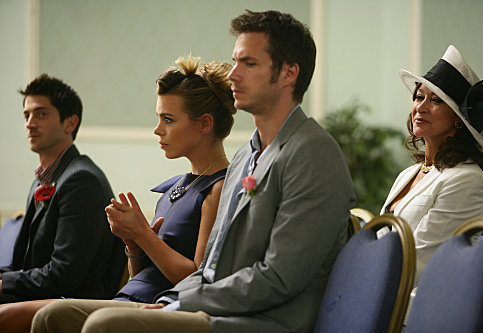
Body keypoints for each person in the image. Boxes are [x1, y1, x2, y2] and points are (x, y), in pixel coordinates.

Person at [31, 9, 356, 333]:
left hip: (264, 320)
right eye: (236, 61)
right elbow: (211, 265)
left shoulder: (314, 154)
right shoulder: (245, 156)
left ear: (288, 73)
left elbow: (279, 277)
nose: (233, 75)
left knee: (104, 325)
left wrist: (181, 302)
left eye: (249, 63)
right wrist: (172, 298)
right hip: (215, 305)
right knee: (51, 317)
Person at [0, 56, 236, 333]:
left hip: (162, 304)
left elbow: (199, 277)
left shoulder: (218, 188)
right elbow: (142, 275)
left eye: (168, 119)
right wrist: (134, 245)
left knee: (25, 316)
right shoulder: (173, 188)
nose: (157, 129)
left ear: (204, 124)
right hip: (132, 296)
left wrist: (144, 235)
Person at [381, 45, 483, 286]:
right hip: (381, 291)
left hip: (416, 307)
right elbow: (380, 242)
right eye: (418, 96)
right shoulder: (407, 174)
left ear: (458, 118)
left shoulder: (466, 178)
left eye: (436, 100)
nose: (421, 107)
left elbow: (423, 263)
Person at [0, 74, 116, 305]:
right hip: (42, 293)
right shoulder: (44, 178)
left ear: (70, 123)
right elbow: (23, 264)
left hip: (70, 301)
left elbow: (64, 276)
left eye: (41, 114)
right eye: (27, 115)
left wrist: (5, 283)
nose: (30, 123)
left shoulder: (81, 180)